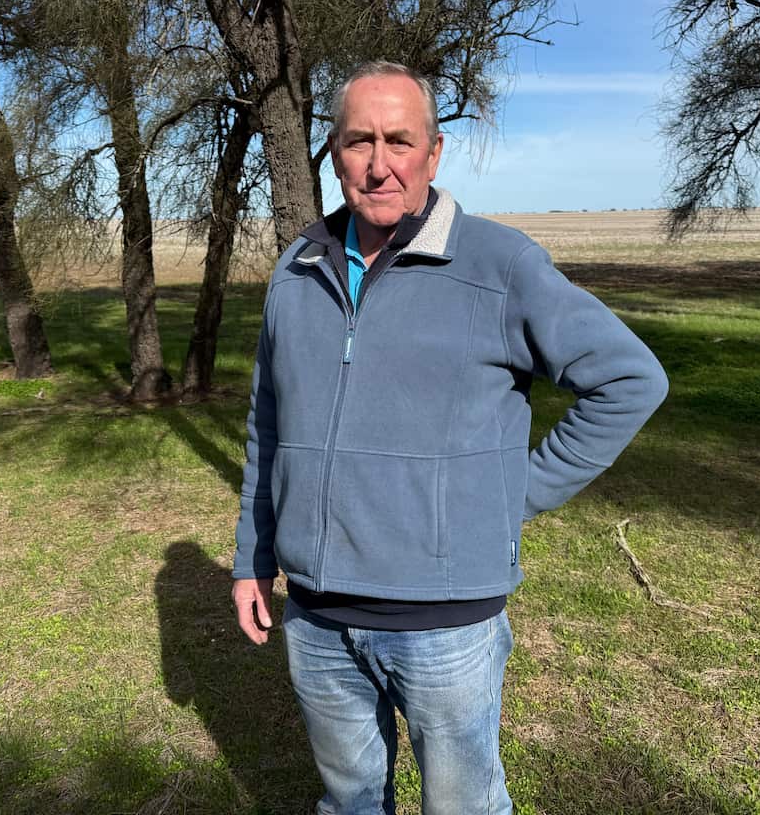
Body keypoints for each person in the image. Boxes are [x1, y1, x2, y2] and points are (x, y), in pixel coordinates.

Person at [231, 61, 668, 815]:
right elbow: (269, 423)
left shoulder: (501, 266)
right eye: (359, 141)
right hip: (316, 617)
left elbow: (630, 380)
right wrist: (252, 558)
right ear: (332, 152)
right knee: (348, 803)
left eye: (399, 141)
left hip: (445, 627)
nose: (379, 163)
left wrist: (510, 498)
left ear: (433, 154)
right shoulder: (296, 270)